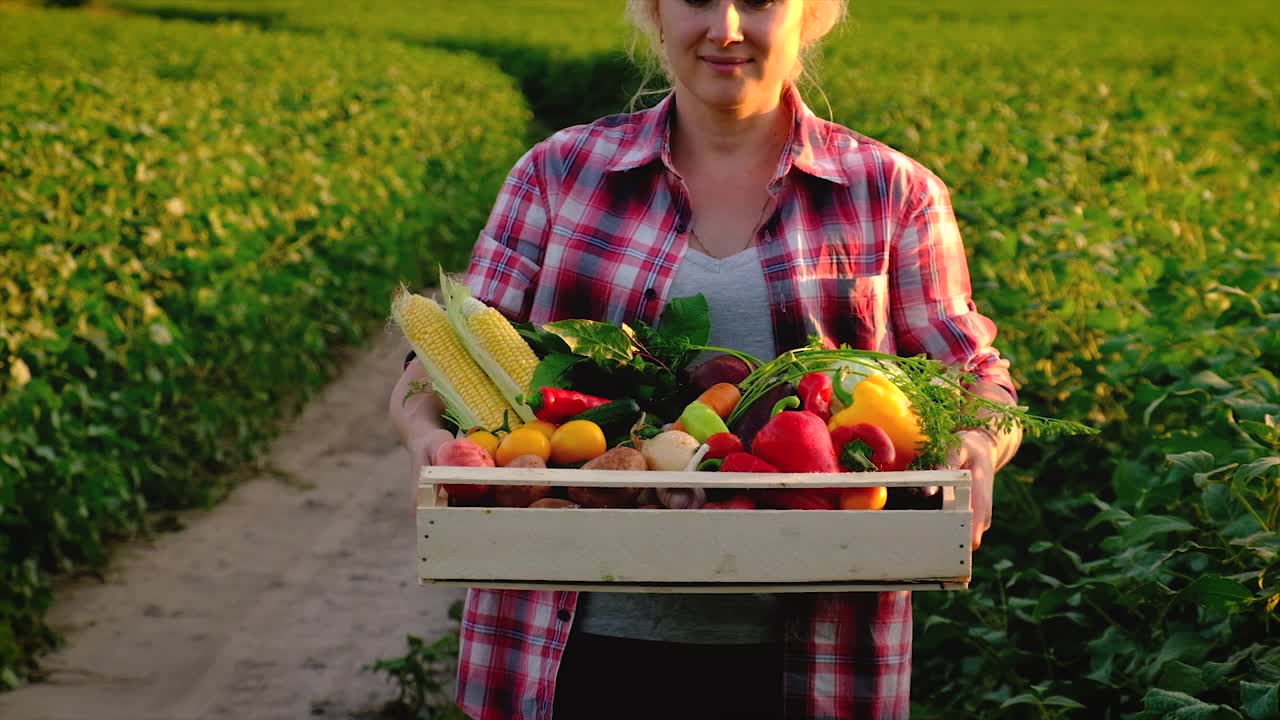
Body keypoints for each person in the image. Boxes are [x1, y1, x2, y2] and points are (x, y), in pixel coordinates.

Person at [389, 1, 1023, 717]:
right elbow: (439, 360)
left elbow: (977, 375)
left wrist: (978, 441)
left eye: (758, 1)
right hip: (565, 645)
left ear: (809, 16)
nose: (725, 27)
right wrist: (426, 436)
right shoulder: (559, 175)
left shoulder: (892, 195)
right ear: (655, 13)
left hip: (814, 659)